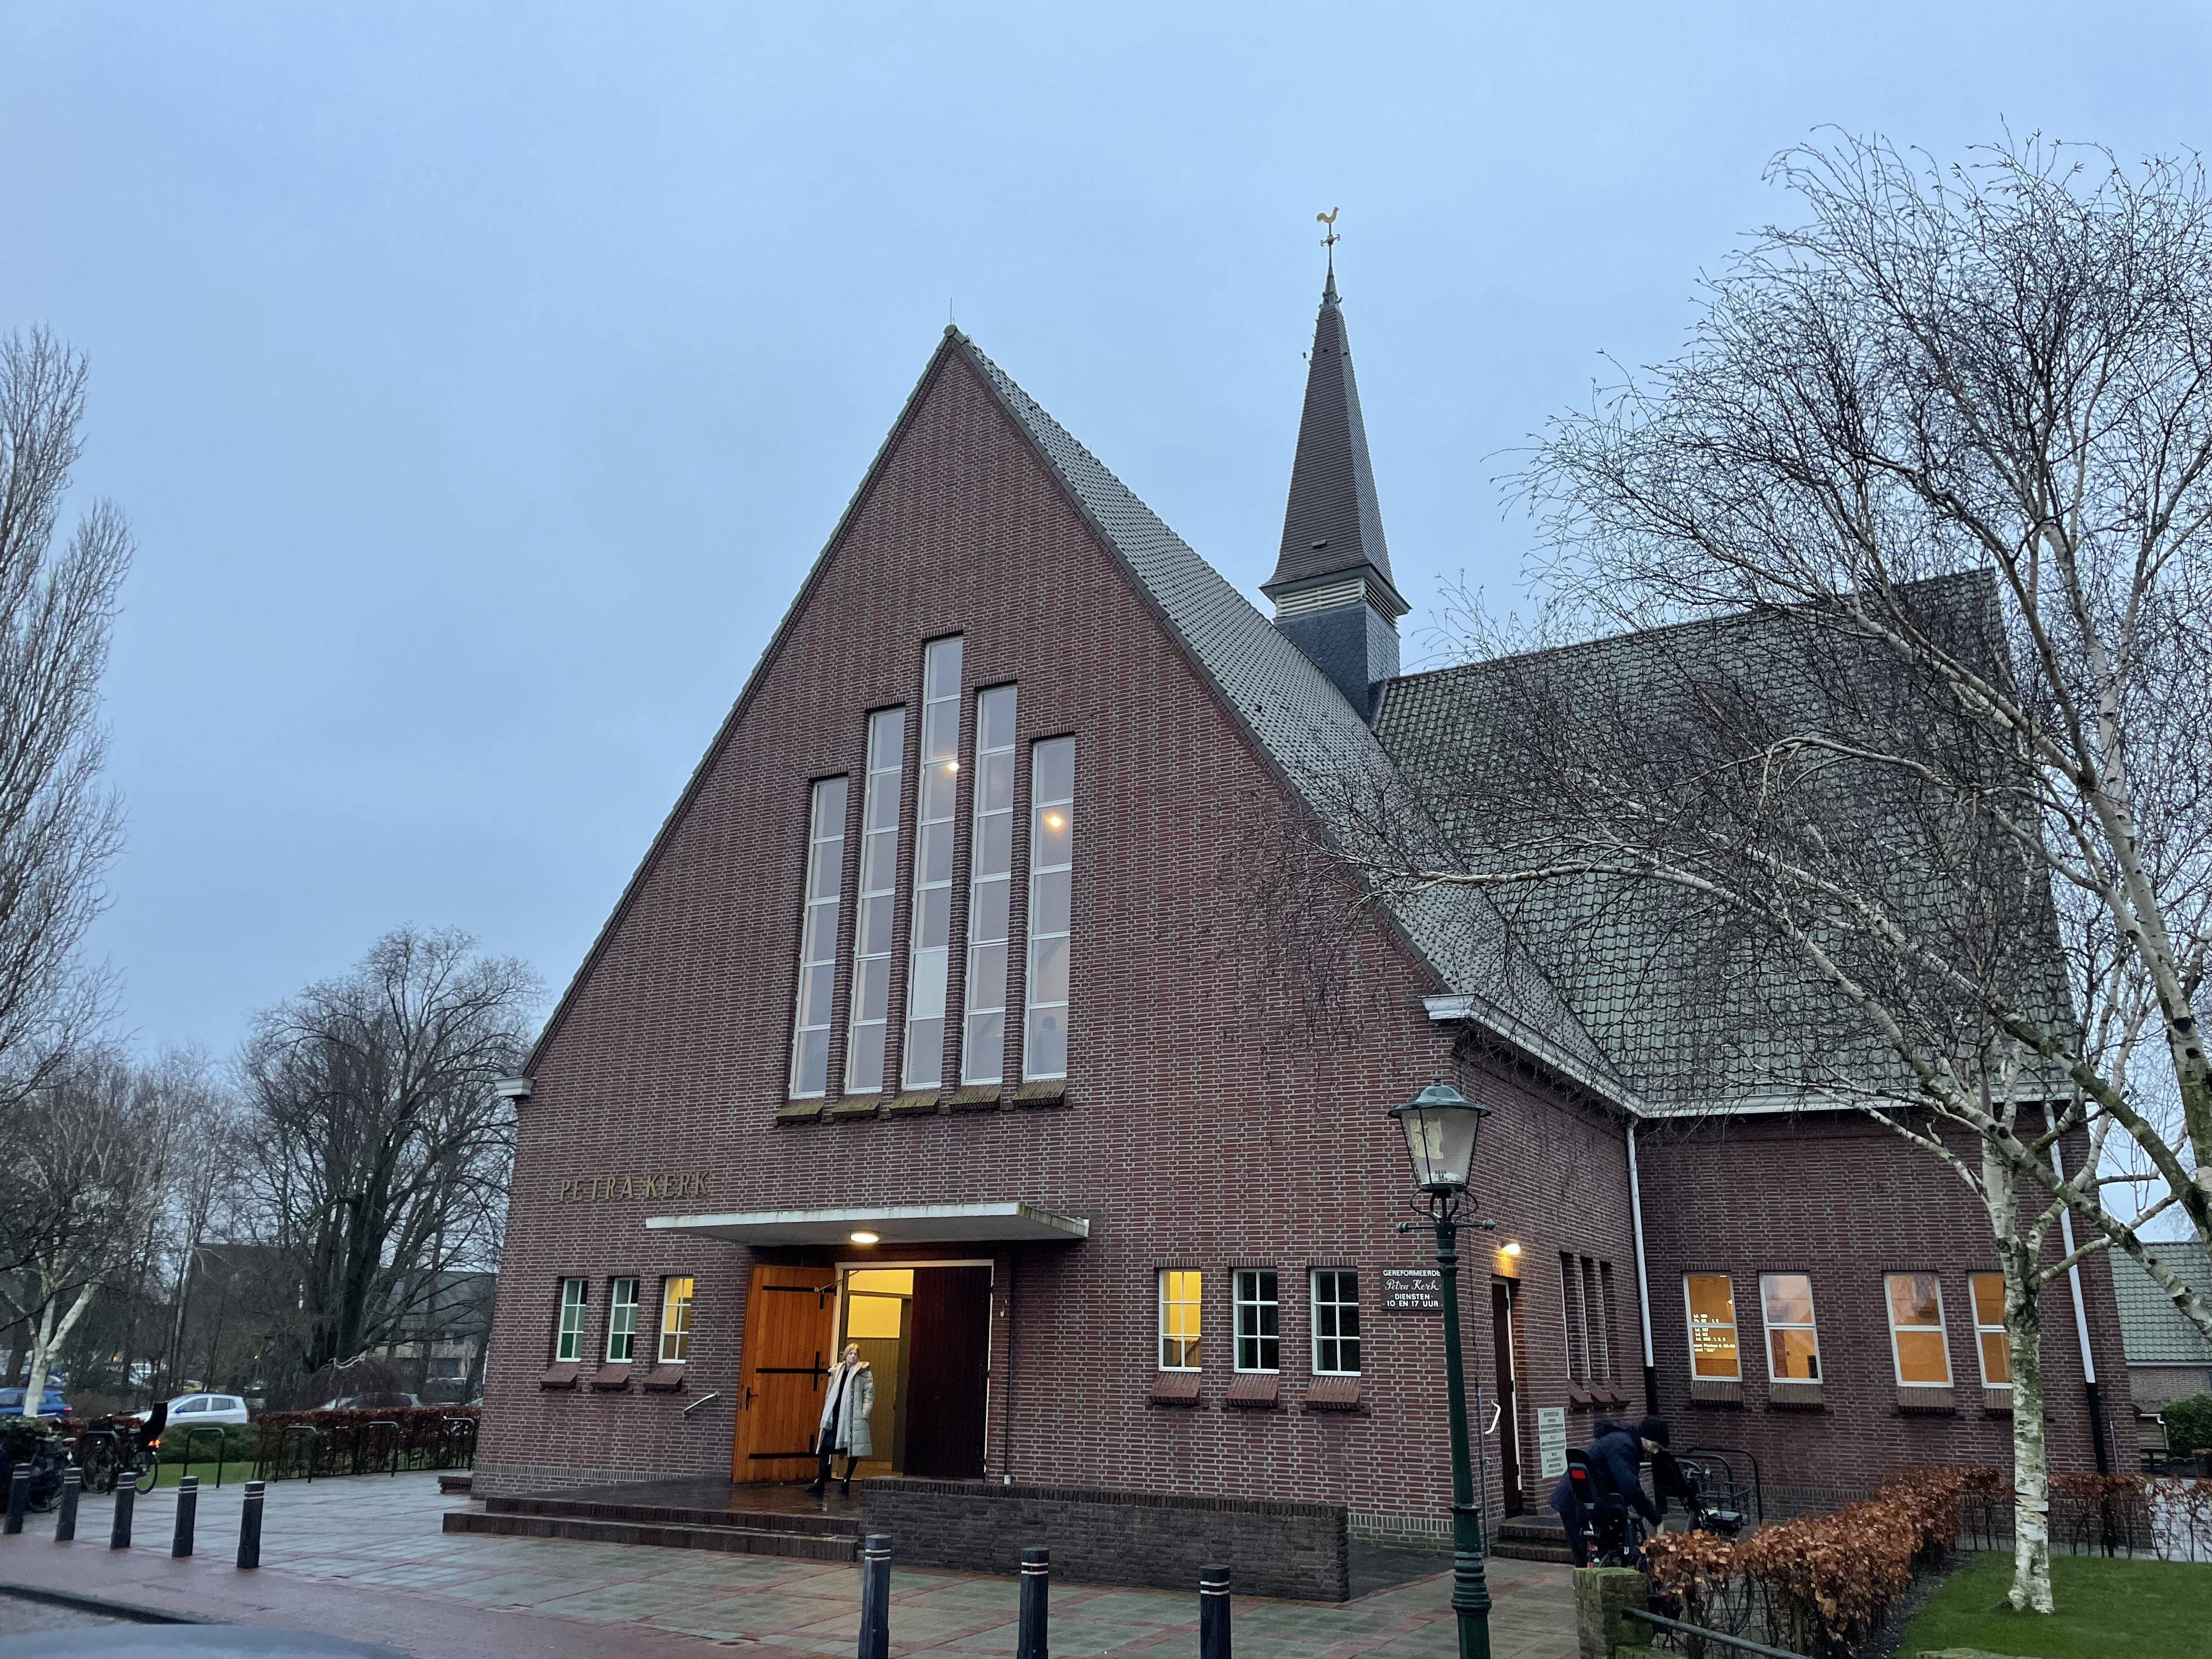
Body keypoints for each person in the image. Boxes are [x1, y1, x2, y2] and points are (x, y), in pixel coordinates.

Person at [1549, 1415, 1669, 1565]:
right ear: (1645, 1437)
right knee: (1586, 1559)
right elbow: (1630, 1488)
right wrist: (1655, 1518)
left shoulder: (1623, 1441)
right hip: (1575, 1501)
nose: (1656, 1452)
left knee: (1588, 1557)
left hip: (1582, 1499)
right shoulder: (1622, 1445)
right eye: (1655, 1446)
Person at [805, 1342, 875, 1497]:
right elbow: (830, 1391)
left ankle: (846, 1480)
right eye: (851, 1353)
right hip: (836, 1414)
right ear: (846, 1355)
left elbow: (869, 1394)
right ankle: (820, 1481)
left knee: (853, 1449)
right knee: (825, 1447)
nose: (853, 1356)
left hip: (852, 1417)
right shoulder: (837, 1371)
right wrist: (827, 1408)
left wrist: (864, 1413)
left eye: (856, 1354)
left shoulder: (864, 1373)